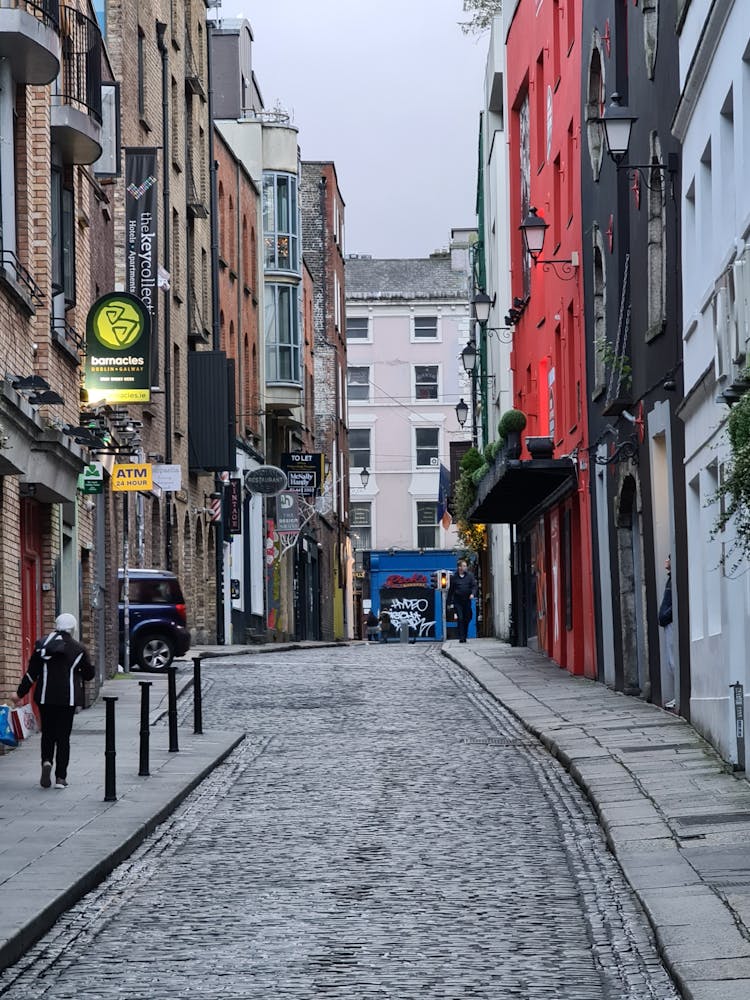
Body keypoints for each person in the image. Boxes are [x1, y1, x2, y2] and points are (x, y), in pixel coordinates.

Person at [13, 613, 94, 789]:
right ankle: (60, 778)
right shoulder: (78, 649)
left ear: (56, 625)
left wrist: (19, 694)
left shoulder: (41, 645)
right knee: (63, 737)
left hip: (44, 697)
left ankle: (46, 761)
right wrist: (78, 670)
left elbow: (31, 673)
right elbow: (89, 675)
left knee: (48, 733)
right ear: (72, 628)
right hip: (67, 699)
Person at [658, 555, 675, 710]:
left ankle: (678, 696)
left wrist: (666, 615)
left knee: (673, 660)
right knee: (670, 661)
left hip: (670, 622)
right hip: (667, 621)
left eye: (668, 559)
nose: (666, 561)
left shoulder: (673, 579)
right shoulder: (670, 579)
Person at [447, 558, 476, 643]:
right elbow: (451, 590)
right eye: (463, 566)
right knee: (460, 618)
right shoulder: (454, 578)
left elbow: (474, 586)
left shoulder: (470, 576)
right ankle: (461, 637)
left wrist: (472, 594)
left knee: (467, 617)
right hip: (458, 601)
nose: (465, 567)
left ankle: (465, 634)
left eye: (465, 566)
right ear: (459, 567)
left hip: (467, 600)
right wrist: (449, 602)